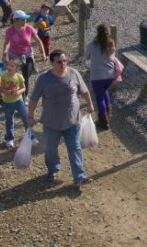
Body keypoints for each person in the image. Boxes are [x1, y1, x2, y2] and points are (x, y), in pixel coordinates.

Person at [27, 50, 94, 189]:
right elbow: (33, 99)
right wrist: (30, 116)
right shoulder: (43, 79)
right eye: (59, 62)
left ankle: (79, 176)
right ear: (52, 63)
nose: (63, 64)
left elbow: (84, 90)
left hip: (73, 121)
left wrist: (90, 104)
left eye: (64, 61)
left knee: (75, 148)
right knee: (51, 149)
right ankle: (53, 169)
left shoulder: (74, 73)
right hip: (51, 123)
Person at [3, 10, 45, 97]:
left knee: (26, 74)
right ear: (15, 20)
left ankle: (24, 96)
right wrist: (4, 54)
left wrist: (43, 53)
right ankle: (13, 92)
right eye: (23, 19)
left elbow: (38, 41)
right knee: (13, 75)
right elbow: (6, 43)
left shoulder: (29, 28)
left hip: (27, 54)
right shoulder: (9, 31)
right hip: (14, 55)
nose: (25, 21)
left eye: (25, 19)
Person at [84, 24, 118, 130]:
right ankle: (108, 113)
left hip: (97, 76)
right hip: (110, 75)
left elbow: (86, 56)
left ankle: (103, 122)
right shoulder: (111, 43)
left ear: (97, 32)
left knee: (99, 97)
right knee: (104, 91)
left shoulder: (92, 44)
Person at [0, 56, 28, 149]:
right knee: (9, 121)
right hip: (7, 102)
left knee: (25, 118)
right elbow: (1, 89)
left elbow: (24, 88)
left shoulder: (19, 76)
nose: (9, 67)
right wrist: (7, 92)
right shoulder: (4, 76)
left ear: (17, 68)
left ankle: (30, 136)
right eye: (8, 65)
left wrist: (18, 92)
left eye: (12, 66)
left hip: (19, 101)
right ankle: (9, 139)